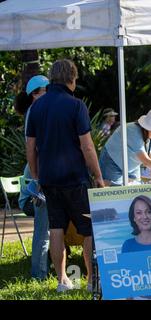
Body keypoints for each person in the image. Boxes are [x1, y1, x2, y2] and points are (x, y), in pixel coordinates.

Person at [26, 59, 105, 292]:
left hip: (49, 179)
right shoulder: (76, 105)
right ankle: (91, 280)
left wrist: (37, 175)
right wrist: (98, 176)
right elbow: (87, 146)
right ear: (71, 77)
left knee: (56, 228)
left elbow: (30, 147)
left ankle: (62, 281)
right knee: (88, 230)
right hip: (75, 177)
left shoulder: (36, 108)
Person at [15, 75, 50, 280]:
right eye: (48, 89)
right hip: (33, 191)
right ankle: (38, 274)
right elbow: (34, 150)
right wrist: (38, 180)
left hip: (41, 181)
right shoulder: (34, 113)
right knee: (43, 227)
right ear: (36, 94)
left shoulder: (40, 111)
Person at [99, 109, 151, 185]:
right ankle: (99, 183)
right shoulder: (132, 131)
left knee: (136, 189)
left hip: (132, 166)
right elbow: (146, 161)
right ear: (148, 128)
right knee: (116, 190)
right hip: (112, 162)